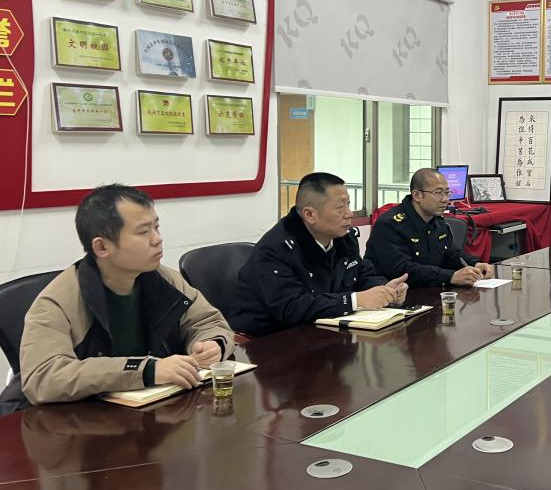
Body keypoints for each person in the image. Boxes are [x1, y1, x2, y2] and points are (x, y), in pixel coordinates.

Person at [15, 184, 234, 408]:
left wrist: (211, 344)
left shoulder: (164, 279)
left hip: (155, 412)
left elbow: (208, 322)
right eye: (143, 232)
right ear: (102, 247)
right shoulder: (58, 301)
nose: (157, 239)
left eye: (156, 227)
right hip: (81, 420)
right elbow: (42, 378)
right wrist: (145, 370)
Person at [228, 172, 407, 336]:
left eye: (348, 204)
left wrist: (386, 290)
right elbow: (291, 308)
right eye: (340, 207)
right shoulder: (275, 249)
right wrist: (354, 300)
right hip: (270, 341)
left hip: (324, 332)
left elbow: (362, 275)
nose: (349, 214)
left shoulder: (343, 238)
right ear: (309, 214)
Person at [365, 168, 495, 288]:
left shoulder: (437, 221)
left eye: (447, 193)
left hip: (430, 290)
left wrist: (474, 264)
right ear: (417, 195)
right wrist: (450, 276)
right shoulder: (390, 225)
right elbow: (402, 270)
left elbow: (451, 254)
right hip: (395, 295)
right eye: (438, 193)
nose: (445, 199)